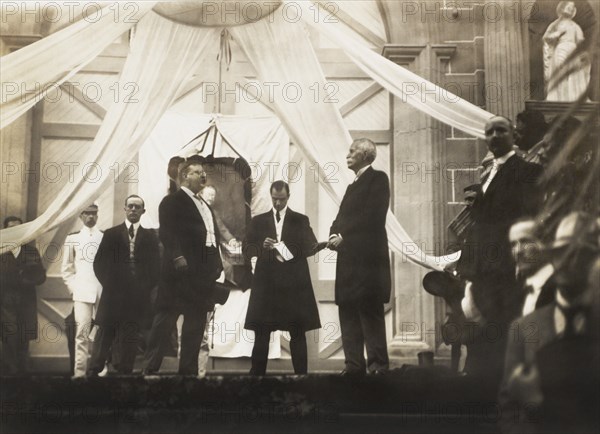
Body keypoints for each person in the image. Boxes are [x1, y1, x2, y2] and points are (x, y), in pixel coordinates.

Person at [457, 116, 542, 384]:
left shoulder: (528, 172)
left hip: (506, 264)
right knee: (480, 328)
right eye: (489, 132)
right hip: (482, 266)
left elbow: (526, 217)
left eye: (501, 130)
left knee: (502, 326)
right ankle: (479, 390)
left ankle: (501, 390)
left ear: (514, 136)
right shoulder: (488, 173)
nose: (494, 135)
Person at [500, 211, 599, 433]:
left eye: (578, 254)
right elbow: (509, 410)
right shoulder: (522, 325)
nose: (566, 262)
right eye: (560, 253)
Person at [143, 160, 223, 375]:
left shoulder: (205, 206)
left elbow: (211, 237)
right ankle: (149, 371)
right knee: (164, 324)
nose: (203, 176)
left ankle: (187, 375)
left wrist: (217, 265)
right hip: (179, 276)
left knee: (195, 327)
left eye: (204, 172)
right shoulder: (172, 202)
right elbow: (167, 233)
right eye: (198, 172)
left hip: (201, 278)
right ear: (186, 176)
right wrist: (178, 256)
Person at [327, 138, 391, 376]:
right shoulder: (351, 186)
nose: (348, 155)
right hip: (348, 264)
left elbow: (373, 217)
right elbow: (340, 218)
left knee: (369, 313)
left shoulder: (378, 179)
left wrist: (345, 237)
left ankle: (378, 366)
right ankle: (353, 366)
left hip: (368, 264)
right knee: (348, 312)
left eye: (352, 151)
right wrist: (333, 234)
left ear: (366, 155)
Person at [244, 181, 322, 375]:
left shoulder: (300, 220)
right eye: (274, 199)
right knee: (261, 333)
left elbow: (311, 247)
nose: (278, 203)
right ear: (271, 196)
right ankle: (256, 380)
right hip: (266, 285)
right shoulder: (258, 221)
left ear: (288, 196)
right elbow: (247, 250)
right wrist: (261, 246)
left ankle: (301, 378)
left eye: (281, 199)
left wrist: (288, 249)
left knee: (297, 332)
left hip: (293, 286)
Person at [87, 195, 160, 376]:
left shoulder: (150, 237)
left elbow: (155, 267)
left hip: (137, 296)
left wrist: (144, 287)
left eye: (137, 207)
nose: (133, 210)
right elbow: (99, 264)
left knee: (130, 334)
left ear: (143, 211)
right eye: (130, 206)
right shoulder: (111, 234)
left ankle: (124, 373)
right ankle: (94, 371)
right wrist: (111, 285)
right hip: (113, 294)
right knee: (105, 333)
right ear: (125, 209)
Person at [61, 203, 104, 377]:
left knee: (102, 332)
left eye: (94, 213)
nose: (91, 217)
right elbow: (66, 269)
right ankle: (79, 372)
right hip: (82, 292)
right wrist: (74, 289)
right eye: (87, 213)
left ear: (97, 215)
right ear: (81, 216)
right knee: (82, 332)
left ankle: (101, 370)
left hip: (102, 290)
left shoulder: (104, 237)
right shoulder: (73, 239)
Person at [0, 217, 46, 375]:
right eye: (11, 229)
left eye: (19, 229)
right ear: (5, 231)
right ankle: (9, 371)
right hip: (5, 299)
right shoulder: (1, 250)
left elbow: (41, 277)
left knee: (24, 334)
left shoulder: (31, 251)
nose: (15, 232)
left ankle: (23, 372)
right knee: (8, 334)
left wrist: (25, 278)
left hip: (26, 299)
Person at [543, 1, 590, 101]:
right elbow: (546, 37)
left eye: (572, 7)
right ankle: (560, 98)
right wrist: (557, 34)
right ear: (562, 8)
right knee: (560, 73)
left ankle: (573, 98)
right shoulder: (555, 24)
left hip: (573, 51)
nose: (570, 9)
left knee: (574, 73)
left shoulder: (575, 26)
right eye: (568, 7)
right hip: (561, 50)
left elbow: (580, 41)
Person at [508, 218, 555, 316]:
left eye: (525, 241)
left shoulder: (559, 286)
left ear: (544, 243)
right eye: (513, 244)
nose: (518, 251)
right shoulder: (517, 293)